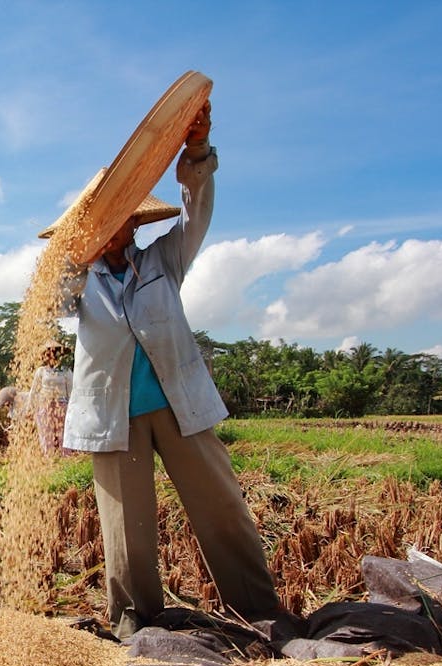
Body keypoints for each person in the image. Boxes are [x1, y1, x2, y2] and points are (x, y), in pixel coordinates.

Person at [49, 101, 284, 638]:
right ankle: (136, 626)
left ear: (133, 221)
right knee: (126, 534)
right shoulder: (78, 283)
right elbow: (48, 306)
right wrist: (72, 254)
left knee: (222, 508)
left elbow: (196, 208)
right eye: (99, 222)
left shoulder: (162, 260)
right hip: (115, 419)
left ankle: (259, 611)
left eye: (120, 218)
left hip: (180, 407)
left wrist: (197, 151)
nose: (112, 230)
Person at [29, 339, 73, 455]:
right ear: (46, 356)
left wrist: (72, 407)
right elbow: (34, 391)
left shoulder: (66, 371)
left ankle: (66, 456)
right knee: (46, 431)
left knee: (63, 431)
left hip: (62, 405)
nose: (52, 355)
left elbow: (71, 390)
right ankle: (48, 457)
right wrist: (31, 406)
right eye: (49, 353)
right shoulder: (41, 371)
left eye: (55, 353)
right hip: (45, 405)